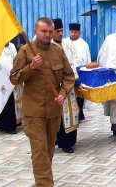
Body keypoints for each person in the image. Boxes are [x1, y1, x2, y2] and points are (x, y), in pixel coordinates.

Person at [10, 17, 76, 186]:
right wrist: (30, 67)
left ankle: (42, 179)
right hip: (34, 113)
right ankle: (45, 184)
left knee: (48, 150)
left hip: (54, 111)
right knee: (40, 152)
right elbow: (14, 78)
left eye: (50, 31)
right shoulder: (25, 51)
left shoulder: (58, 51)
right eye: (43, 31)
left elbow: (69, 76)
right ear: (35, 32)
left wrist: (63, 93)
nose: (47, 35)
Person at [50, 18, 80, 154]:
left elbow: (72, 63)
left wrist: (76, 79)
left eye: (62, 31)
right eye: (57, 31)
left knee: (72, 112)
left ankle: (68, 142)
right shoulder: (48, 47)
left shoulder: (67, 44)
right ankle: (56, 140)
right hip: (55, 88)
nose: (61, 33)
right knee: (57, 116)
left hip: (69, 85)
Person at [62, 22, 91, 121]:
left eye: (75, 32)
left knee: (79, 94)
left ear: (79, 33)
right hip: (67, 72)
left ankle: (80, 113)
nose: (73, 34)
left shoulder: (84, 44)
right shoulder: (64, 42)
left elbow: (87, 60)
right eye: (71, 32)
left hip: (80, 72)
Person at [0, 42, 22, 134]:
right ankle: (7, 125)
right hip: (2, 80)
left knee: (14, 101)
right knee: (5, 102)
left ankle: (16, 121)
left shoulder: (12, 45)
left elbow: (16, 58)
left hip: (14, 77)